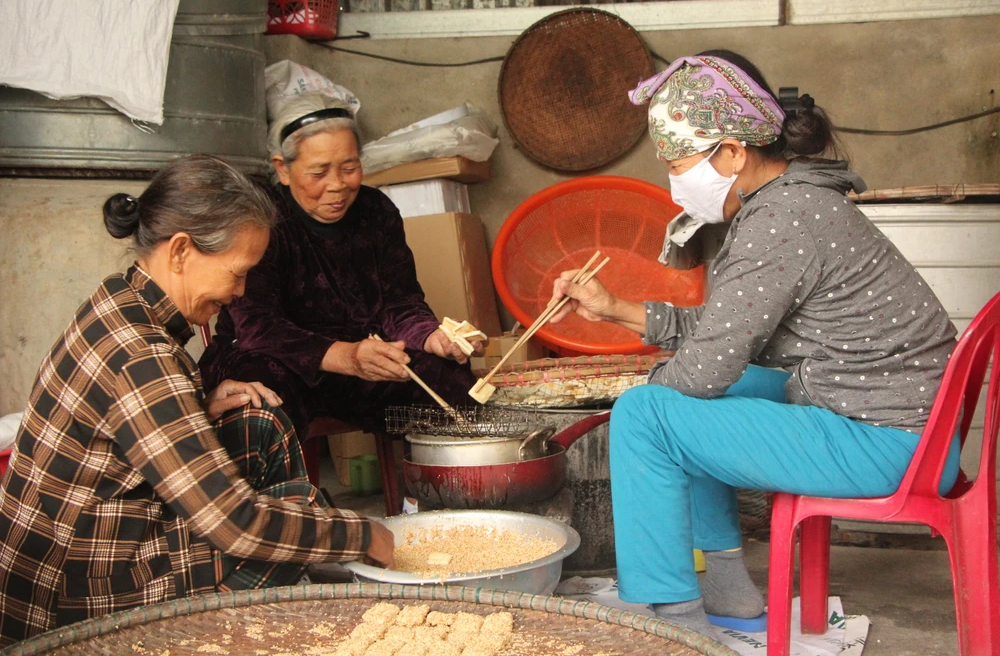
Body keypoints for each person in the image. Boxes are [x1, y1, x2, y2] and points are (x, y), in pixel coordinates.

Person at [549, 51, 961, 633]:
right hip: (907, 426)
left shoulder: (781, 220)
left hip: (887, 442)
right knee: (691, 393)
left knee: (646, 413)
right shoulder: (795, 198)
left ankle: (676, 620)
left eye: (679, 163)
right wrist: (616, 309)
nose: (674, 182)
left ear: (734, 152)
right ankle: (726, 588)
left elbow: (704, 370)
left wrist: (650, 404)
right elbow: (727, 334)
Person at [0, 155, 393, 647]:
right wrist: (362, 534)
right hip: (69, 596)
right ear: (182, 251)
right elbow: (234, 523)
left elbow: (119, 434)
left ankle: (294, 588)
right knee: (286, 524)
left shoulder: (121, 300)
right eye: (238, 272)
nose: (241, 291)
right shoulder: (140, 354)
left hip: (90, 544)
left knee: (258, 424)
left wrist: (197, 407)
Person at [198, 93, 484, 440]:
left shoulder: (376, 212)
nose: (338, 185)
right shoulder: (261, 220)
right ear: (282, 169)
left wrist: (432, 336)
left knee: (447, 376)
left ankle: (437, 492)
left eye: (349, 168)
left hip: (362, 361)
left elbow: (400, 303)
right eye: (319, 172)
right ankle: (277, 496)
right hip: (277, 360)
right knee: (256, 394)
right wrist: (345, 356)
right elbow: (257, 328)